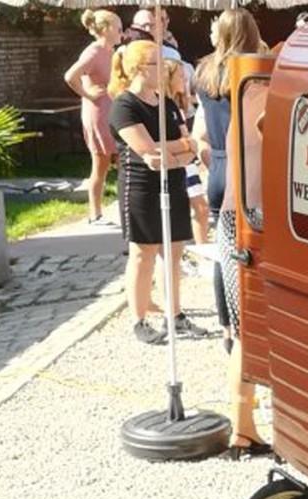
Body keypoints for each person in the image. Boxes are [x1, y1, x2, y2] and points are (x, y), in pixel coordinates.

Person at [194, 8, 271, 458]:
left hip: (221, 179)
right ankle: (244, 428)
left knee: (233, 302)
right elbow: (264, 133)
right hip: (250, 191)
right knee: (252, 315)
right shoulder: (255, 80)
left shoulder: (206, 75)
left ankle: (247, 419)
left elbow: (202, 139)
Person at [108, 40, 199, 345]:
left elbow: (190, 145)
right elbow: (145, 149)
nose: (162, 69)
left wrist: (172, 152)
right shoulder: (124, 105)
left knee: (173, 251)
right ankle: (139, 318)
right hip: (142, 186)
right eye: (155, 64)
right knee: (143, 251)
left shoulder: (167, 103)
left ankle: (175, 313)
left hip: (173, 181)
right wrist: (176, 150)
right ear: (137, 68)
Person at [194, 9, 260, 353]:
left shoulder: (204, 71)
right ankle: (251, 323)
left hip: (218, 163)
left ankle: (226, 328)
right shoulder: (252, 72)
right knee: (249, 252)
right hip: (245, 167)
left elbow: (203, 130)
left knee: (223, 253)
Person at [63, 9, 121, 226]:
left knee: (122, 160)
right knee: (101, 163)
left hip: (112, 111)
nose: (121, 33)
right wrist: (87, 94)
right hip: (99, 113)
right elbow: (70, 76)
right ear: (105, 29)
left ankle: (125, 207)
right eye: (118, 28)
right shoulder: (94, 51)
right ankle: (94, 213)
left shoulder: (111, 50)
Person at [167, 60, 209, 244]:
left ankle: (202, 245)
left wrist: (184, 146)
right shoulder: (164, 107)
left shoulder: (176, 106)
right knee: (181, 210)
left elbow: (189, 141)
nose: (184, 80)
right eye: (180, 76)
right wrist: (184, 146)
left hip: (188, 164)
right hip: (175, 166)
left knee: (201, 208)